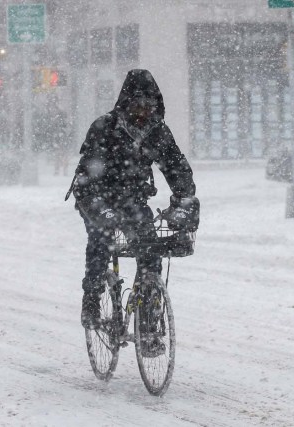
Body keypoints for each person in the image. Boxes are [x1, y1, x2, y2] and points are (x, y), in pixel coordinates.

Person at [67, 69, 199, 347]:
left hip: (133, 201)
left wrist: (185, 202)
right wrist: (101, 210)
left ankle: (150, 322)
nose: (143, 111)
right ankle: (91, 300)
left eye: (149, 105)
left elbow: (177, 170)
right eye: (137, 104)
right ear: (125, 103)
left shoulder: (157, 132)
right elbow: (86, 180)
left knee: (150, 249)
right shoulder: (104, 128)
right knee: (100, 241)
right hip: (96, 197)